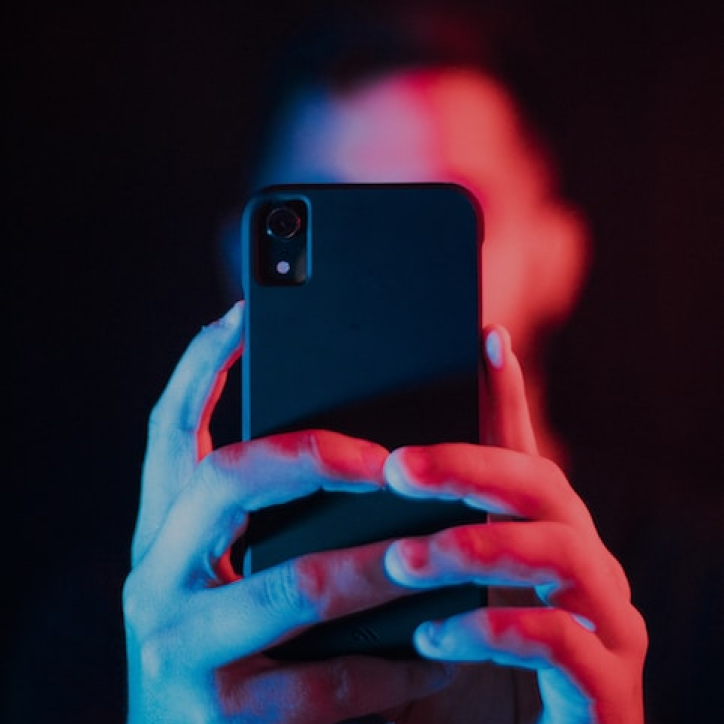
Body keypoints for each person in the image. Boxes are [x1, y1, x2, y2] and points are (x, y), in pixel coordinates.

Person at [122, 6, 651, 723]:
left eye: (432, 227)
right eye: (333, 221)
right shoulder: (124, 640)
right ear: (238, 265)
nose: (382, 286)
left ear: (558, 256)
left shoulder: (705, 595)